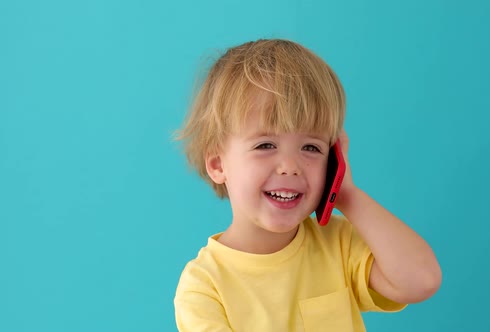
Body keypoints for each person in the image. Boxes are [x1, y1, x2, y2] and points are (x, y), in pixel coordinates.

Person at [174, 39, 441, 332]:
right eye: (265, 144)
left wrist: (348, 195)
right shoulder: (203, 287)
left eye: (311, 148)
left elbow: (421, 281)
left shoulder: (337, 243)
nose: (290, 166)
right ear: (217, 164)